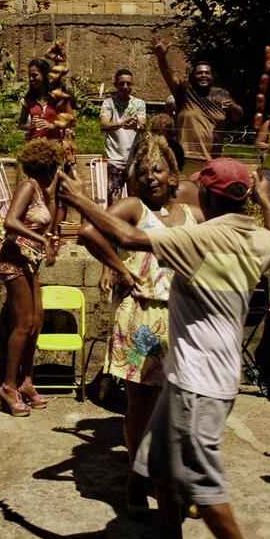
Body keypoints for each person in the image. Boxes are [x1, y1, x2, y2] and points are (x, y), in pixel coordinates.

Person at [61, 158, 270, 539]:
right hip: (191, 379)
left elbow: (127, 236)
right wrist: (265, 200)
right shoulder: (258, 240)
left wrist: (80, 199)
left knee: (203, 483)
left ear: (207, 195)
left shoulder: (199, 238)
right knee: (160, 466)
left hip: (199, 384)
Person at [77, 135, 203, 513]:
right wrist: (118, 269)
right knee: (141, 405)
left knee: (184, 405)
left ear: (172, 174)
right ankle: (136, 479)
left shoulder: (191, 212)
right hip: (142, 317)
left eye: (158, 170)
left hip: (184, 317)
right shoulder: (134, 208)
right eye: (143, 171)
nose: (151, 177)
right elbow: (88, 232)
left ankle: (177, 480)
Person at [0, 138, 65, 417]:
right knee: (22, 324)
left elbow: (55, 217)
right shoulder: (27, 186)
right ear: (46, 167)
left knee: (36, 322)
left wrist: (49, 237)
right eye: (55, 167)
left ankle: (26, 381)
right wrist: (41, 240)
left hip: (30, 261)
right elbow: (10, 221)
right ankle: (8, 387)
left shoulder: (44, 191)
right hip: (13, 260)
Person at [150, 36, 243, 162]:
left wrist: (233, 107)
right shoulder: (186, 91)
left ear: (212, 76)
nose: (203, 75)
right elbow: (169, 75)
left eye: (206, 73)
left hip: (212, 159)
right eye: (199, 73)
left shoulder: (221, 94)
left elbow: (238, 116)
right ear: (193, 76)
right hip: (185, 157)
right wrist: (162, 57)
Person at [100, 68, 147, 205]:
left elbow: (142, 125)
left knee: (135, 199)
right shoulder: (108, 103)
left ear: (133, 84)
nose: (125, 87)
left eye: (128, 83)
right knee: (114, 199)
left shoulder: (139, 103)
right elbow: (104, 125)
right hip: (115, 159)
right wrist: (121, 123)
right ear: (116, 85)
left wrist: (137, 125)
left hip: (135, 159)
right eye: (122, 84)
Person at [18, 58, 66, 142]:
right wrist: (30, 126)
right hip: (35, 147)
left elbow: (70, 122)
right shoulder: (28, 100)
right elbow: (21, 124)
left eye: (34, 75)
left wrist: (51, 126)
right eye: (29, 76)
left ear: (45, 75)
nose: (31, 79)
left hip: (55, 148)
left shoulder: (57, 98)